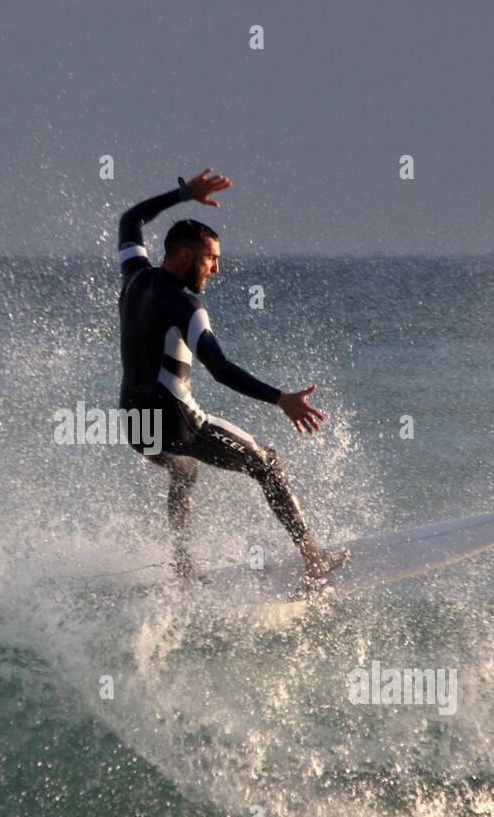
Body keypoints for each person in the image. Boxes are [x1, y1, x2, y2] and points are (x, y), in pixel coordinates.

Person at [116, 168, 348, 583]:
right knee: (268, 464)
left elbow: (129, 221)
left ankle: (184, 566)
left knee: (184, 470)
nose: (216, 270)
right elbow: (220, 369)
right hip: (178, 422)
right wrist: (282, 399)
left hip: (135, 424)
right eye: (212, 259)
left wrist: (183, 194)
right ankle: (313, 557)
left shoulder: (135, 278)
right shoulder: (187, 305)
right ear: (185, 256)